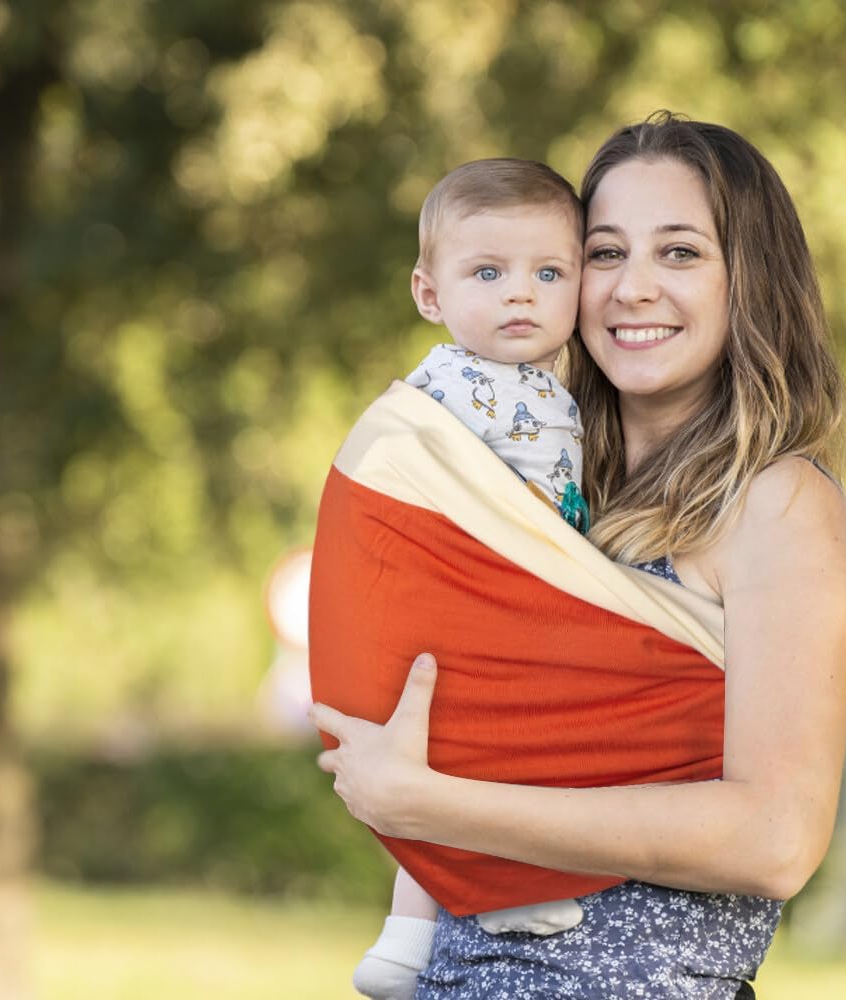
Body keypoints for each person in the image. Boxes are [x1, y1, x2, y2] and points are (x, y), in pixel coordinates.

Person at [311, 112, 846, 999]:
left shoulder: (774, 500)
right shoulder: (533, 484)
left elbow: (776, 839)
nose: (631, 289)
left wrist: (430, 805)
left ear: (750, 281)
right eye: (605, 253)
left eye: (678, 253)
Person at [354, 158, 591, 1000]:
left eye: (548, 273)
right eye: (487, 273)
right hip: (472, 604)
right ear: (430, 294)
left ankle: (403, 939)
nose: (519, 294)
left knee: (480, 766)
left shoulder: (561, 391)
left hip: (535, 604)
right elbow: (392, 475)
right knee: (481, 763)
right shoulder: (443, 385)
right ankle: (488, 901)